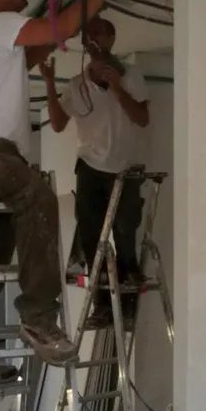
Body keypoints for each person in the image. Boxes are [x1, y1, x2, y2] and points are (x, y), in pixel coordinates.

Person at [0, 0, 118, 388]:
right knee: (39, 198)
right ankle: (40, 319)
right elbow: (63, 29)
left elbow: (34, 51)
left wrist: (56, 17)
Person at [40, 16, 149, 330]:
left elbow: (142, 119)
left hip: (125, 168)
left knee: (125, 232)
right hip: (90, 167)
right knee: (91, 236)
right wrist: (49, 82)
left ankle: (127, 309)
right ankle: (101, 307)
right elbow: (57, 124)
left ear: (112, 39)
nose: (92, 39)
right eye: (88, 34)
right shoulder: (77, 85)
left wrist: (117, 88)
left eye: (99, 33)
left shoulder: (131, 76)